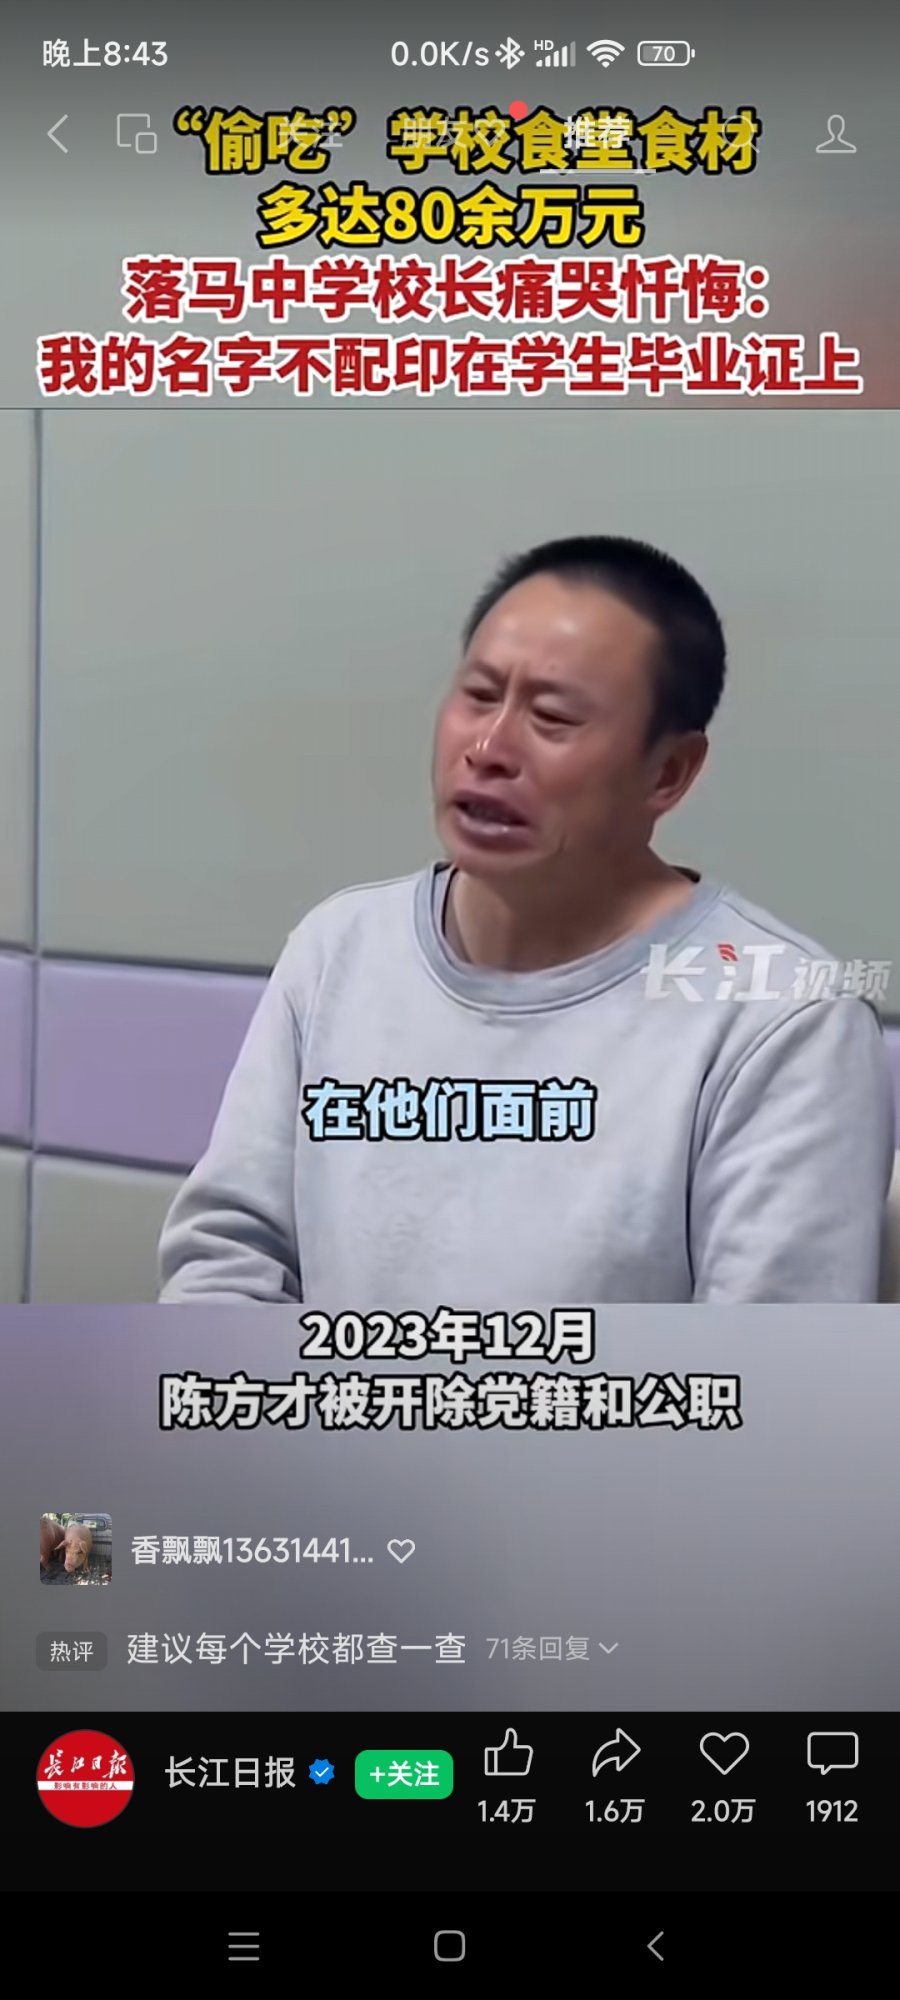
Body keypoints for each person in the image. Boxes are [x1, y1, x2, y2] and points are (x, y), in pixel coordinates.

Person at [158, 535, 895, 1305]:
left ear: (668, 772)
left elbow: (768, 1365)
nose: (487, 749)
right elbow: (229, 1254)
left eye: (552, 717)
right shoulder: (339, 950)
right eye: (479, 696)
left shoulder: (783, 1022)